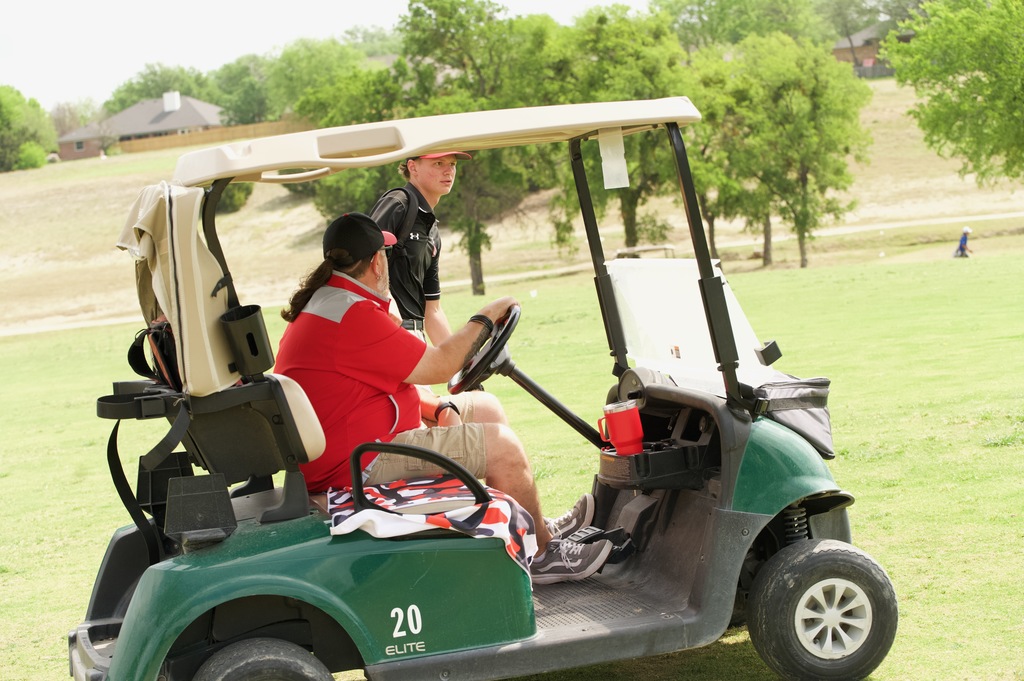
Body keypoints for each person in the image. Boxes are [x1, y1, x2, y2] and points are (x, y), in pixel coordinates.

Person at [274, 212, 610, 584]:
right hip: (358, 462)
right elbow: (438, 365)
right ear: (376, 262)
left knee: (486, 407)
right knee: (504, 447)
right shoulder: (350, 315)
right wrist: (486, 316)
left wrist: (439, 406)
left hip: (356, 442)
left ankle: (525, 528)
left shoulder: (333, 303)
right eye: (385, 254)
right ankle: (544, 556)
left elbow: (388, 380)